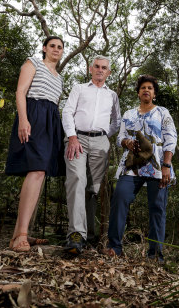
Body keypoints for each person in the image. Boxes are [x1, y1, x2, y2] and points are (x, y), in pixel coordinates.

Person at [103, 75, 177, 262]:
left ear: (154, 93)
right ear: (138, 93)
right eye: (143, 87)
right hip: (132, 164)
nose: (146, 90)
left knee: (157, 207)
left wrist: (166, 165)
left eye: (150, 88)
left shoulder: (162, 112)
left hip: (158, 165)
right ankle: (114, 247)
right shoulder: (129, 114)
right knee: (120, 196)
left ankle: (155, 255)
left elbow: (170, 139)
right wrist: (127, 142)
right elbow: (120, 138)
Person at [5, 36, 66, 252]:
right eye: (52, 46)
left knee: (40, 173)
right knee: (36, 171)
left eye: (60, 47)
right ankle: (21, 234)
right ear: (44, 48)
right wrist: (23, 119)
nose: (56, 49)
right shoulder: (33, 62)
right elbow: (20, 91)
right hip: (33, 115)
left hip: (51, 120)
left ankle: (17, 236)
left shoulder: (59, 78)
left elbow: (55, 104)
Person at [61, 55, 121, 254]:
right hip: (76, 139)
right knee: (77, 179)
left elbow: (116, 122)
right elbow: (67, 111)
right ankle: (75, 235)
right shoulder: (79, 89)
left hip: (100, 143)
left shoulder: (112, 95)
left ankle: (91, 235)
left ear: (109, 72)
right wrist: (72, 136)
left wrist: (104, 136)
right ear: (90, 68)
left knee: (94, 189)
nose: (100, 70)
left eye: (104, 68)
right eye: (97, 66)